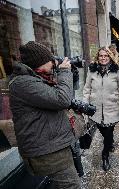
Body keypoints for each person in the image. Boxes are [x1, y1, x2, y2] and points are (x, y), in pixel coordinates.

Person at [9, 41, 81, 188]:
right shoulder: (23, 83)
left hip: (51, 146)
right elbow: (62, 99)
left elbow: (57, 95)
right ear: (39, 63)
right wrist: (64, 71)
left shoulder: (35, 78)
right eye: (50, 60)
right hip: (48, 151)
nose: (53, 63)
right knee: (71, 186)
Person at [83, 47, 119, 171]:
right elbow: (87, 89)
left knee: (108, 132)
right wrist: (85, 105)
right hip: (95, 109)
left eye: (106, 56)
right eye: (101, 56)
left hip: (112, 108)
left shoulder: (117, 71)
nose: (103, 58)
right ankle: (110, 142)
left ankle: (105, 155)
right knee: (104, 131)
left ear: (110, 57)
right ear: (98, 57)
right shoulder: (91, 71)